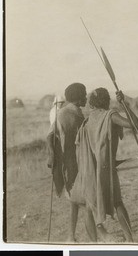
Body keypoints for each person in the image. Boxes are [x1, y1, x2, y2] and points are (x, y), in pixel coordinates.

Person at [71, 88, 138, 242]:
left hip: (89, 170)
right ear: (106, 101)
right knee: (117, 203)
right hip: (105, 170)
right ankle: (130, 240)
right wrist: (124, 105)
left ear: (92, 103)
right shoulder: (110, 116)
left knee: (89, 207)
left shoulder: (87, 121)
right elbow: (135, 125)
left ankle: (95, 244)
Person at [47, 83, 87, 242]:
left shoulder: (77, 113)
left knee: (75, 201)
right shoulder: (64, 114)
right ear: (78, 98)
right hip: (70, 163)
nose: (86, 97)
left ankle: (71, 236)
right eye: (84, 95)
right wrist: (51, 155)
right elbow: (50, 135)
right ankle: (96, 234)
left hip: (79, 161)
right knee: (80, 200)